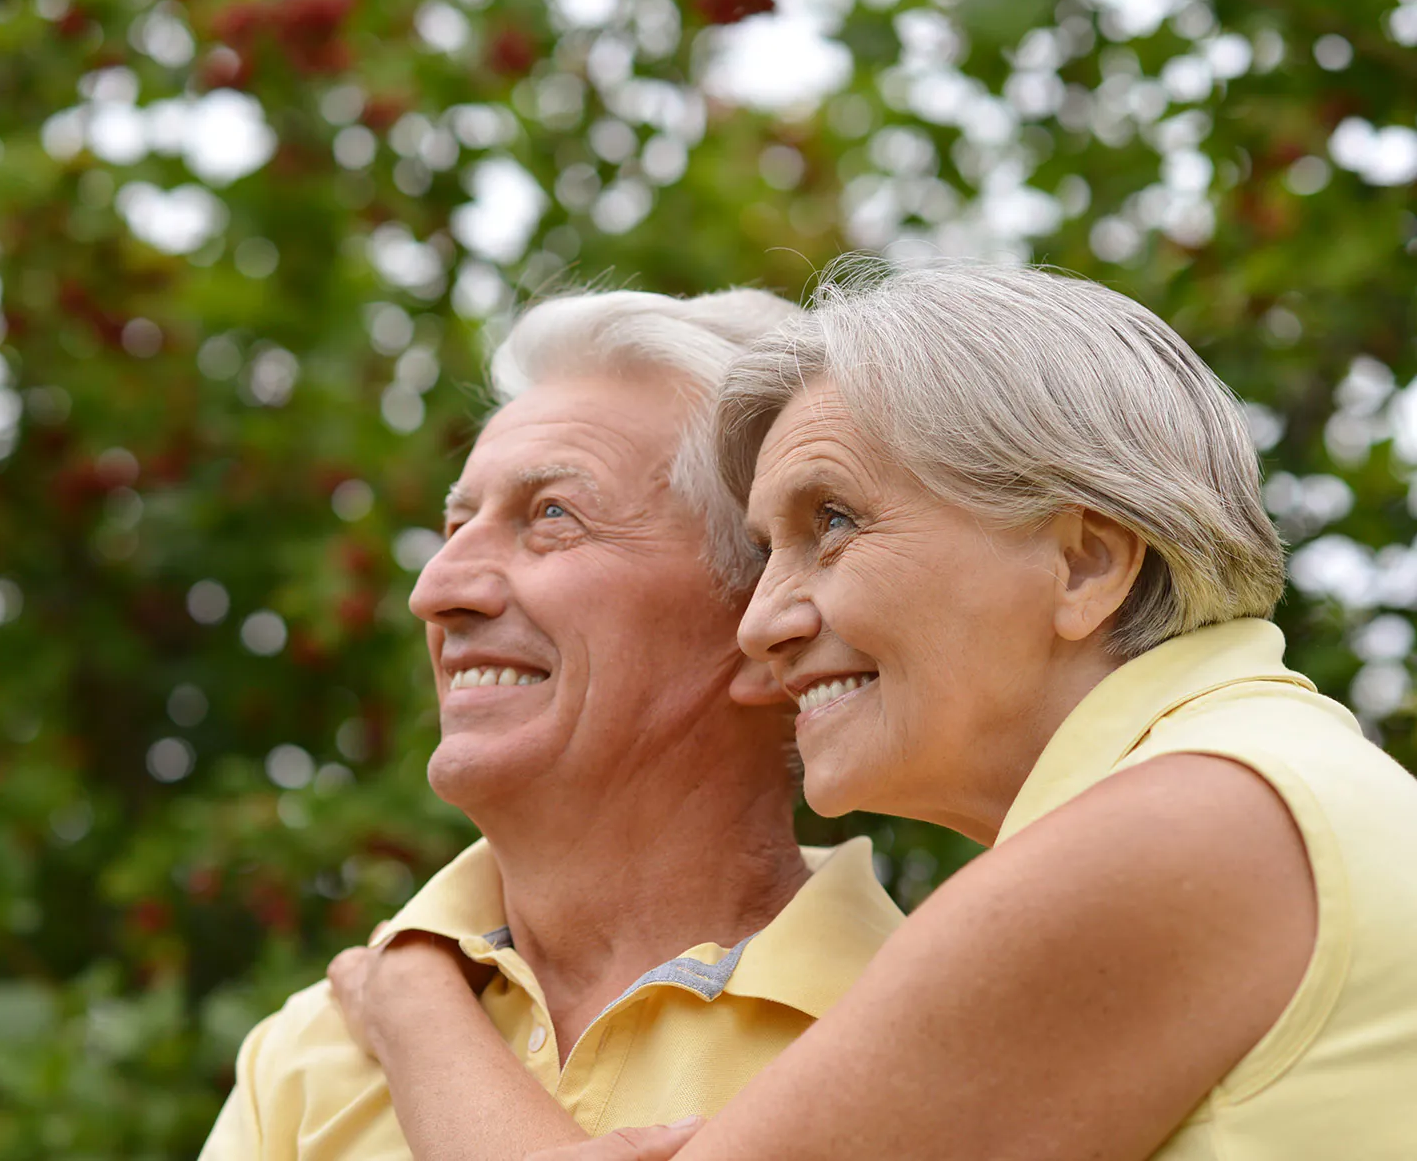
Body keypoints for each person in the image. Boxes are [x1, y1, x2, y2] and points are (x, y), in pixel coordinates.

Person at [329, 261, 1417, 1160]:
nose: (760, 623)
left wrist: (418, 999)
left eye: (833, 521)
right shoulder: (1260, 782)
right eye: (763, 552)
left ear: (1084, 561)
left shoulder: (1193, 824)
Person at [198, 288, 906, 1160]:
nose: (436, 590)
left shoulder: (934, 1023)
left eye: (551, 517)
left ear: (766, 622)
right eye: (455, 523)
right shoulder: (308, 1051)